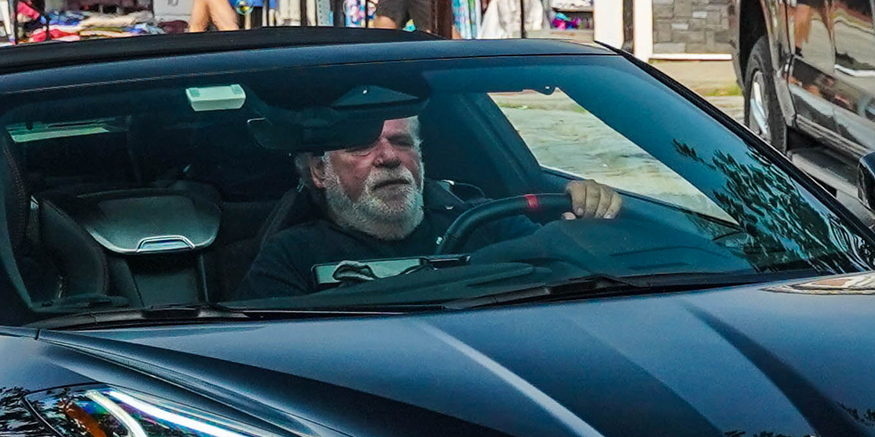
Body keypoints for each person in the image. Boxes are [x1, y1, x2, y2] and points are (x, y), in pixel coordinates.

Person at [237, 105, 621, 298]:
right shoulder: (291, 255)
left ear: (420, 157)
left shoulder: (487, 224)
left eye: (402, 143)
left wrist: (586, 222)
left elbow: (568, 274)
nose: (388, 158)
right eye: (361, 147)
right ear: (319, 172)